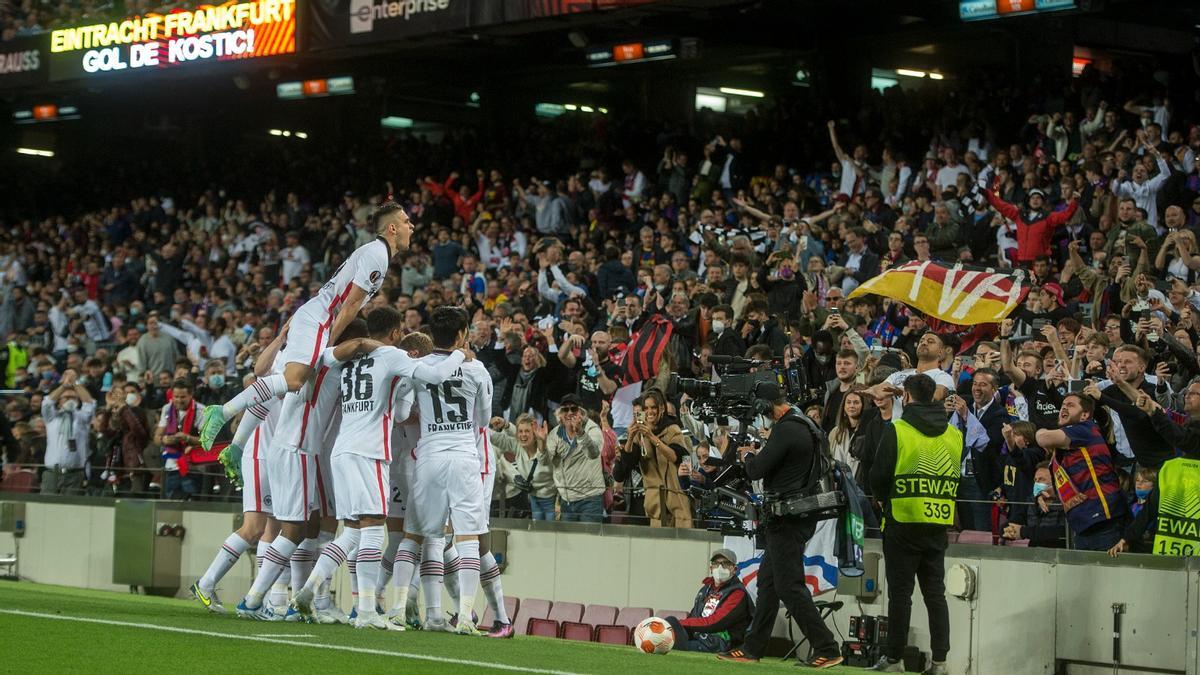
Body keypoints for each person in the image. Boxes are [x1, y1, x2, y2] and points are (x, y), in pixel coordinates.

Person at [278, 307, 466, 628]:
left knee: (351, 531)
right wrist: (459, 355)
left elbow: (322, 357)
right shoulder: (392, 356)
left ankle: (308, 590)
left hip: (341, 451)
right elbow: (435, 375)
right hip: (369, 452)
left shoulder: (349, 358)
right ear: (394, 333)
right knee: (374, 528)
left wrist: (359, 346)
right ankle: (366, 611)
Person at [199, 201, 413, 453]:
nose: (411, 226)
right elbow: (351, 305)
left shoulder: (375, 253)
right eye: (406, 221)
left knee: (286, 383)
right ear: (392, 228)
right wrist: (329, 343)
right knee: (293, 381)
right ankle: (223, 412)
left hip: (314, 316)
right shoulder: (377, 255)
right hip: (318, 319)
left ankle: (236, 445)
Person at [718, 382, 842, 669]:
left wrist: (747, 455)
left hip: (786, 517)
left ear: (764, 406)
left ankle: (827, 647)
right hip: (796, 514)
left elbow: (756, 469)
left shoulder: (787, 428)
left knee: (789, 587)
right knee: (769, 584)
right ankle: (752, 648)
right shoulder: (804, 423)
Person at [867, 373, 957, 675]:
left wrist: (882, 498)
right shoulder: (953, 434)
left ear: (905, 397)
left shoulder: (899, 429)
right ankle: (940, 662)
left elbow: (878, 476)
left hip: (902, 520)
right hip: (937, 521)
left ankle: (895, 659)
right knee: (936, 595)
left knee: (900, 595)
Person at [1035, 391, 1128, 551]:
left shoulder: (1083, 429)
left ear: (1085, 415)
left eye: (1070, 405)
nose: (1064, 408)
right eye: (1063, 405)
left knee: (1106, 573)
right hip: (1085, 523)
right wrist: (1047, 494)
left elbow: (1043, 438)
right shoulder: (1070, 443)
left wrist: (1040, 431)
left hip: (1104, 520)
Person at [614, 389, 694, 528]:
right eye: (646, 408)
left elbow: (676, 456)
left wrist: (652, 437)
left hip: (677, 501)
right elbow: (629, 462)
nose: (649, 412)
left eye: (653, 407)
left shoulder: (672, 429)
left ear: (661, 408)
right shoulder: (640, 435)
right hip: (655, 504)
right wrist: (631, 437)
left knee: (682, 544)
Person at [663, 548, 754, 653]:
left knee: (670, 641)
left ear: (734, 569)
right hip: (700, 637)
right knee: (670, 622)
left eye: (725, 564)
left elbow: (716, 622)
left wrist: (682, 623)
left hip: (720, 642)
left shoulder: (737, 593)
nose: (720, 568)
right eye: (716, 564)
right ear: (711, 568)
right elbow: (694, 616)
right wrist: (678, 625)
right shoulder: (705, 589)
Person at [545, 393, 607, 522]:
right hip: (567, 501)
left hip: (590, 499)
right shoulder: (555, 434)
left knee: (589, 540)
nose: (569, 413)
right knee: (569, 542)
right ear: (559, 413)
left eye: (573, 409)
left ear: (581, 412)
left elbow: (593, 453)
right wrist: (541, 444)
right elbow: (546, 462)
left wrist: (580, 433)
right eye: (565, 409)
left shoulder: (592, 429)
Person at [40, 369, 96, 495]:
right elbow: (46, 404)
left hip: (75, 474)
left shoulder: (82, 418)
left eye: (74, 398)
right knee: (46, 508)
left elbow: (90, 403)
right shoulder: (52, 417)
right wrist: (64, 385)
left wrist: (75, 383)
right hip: (51, 473)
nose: (70, 400)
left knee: (71, 511)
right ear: (59, 401)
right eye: (66, 397)